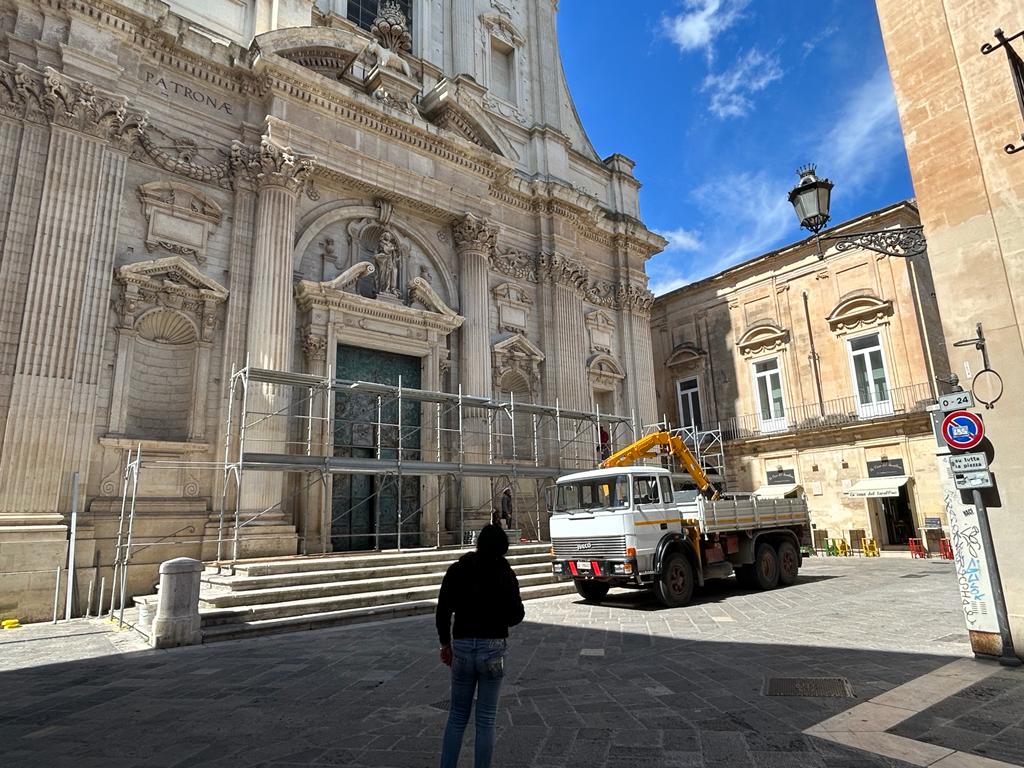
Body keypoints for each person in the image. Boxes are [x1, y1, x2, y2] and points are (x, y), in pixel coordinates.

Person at [436, 524, 525, 768]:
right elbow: (517, 614)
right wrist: (498, 619)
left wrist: (445, 643)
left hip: (462, 646)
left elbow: (443, 609)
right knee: (486, 719)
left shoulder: (458, 569)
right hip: (493, 647)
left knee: (456, 717)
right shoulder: (505, 572)